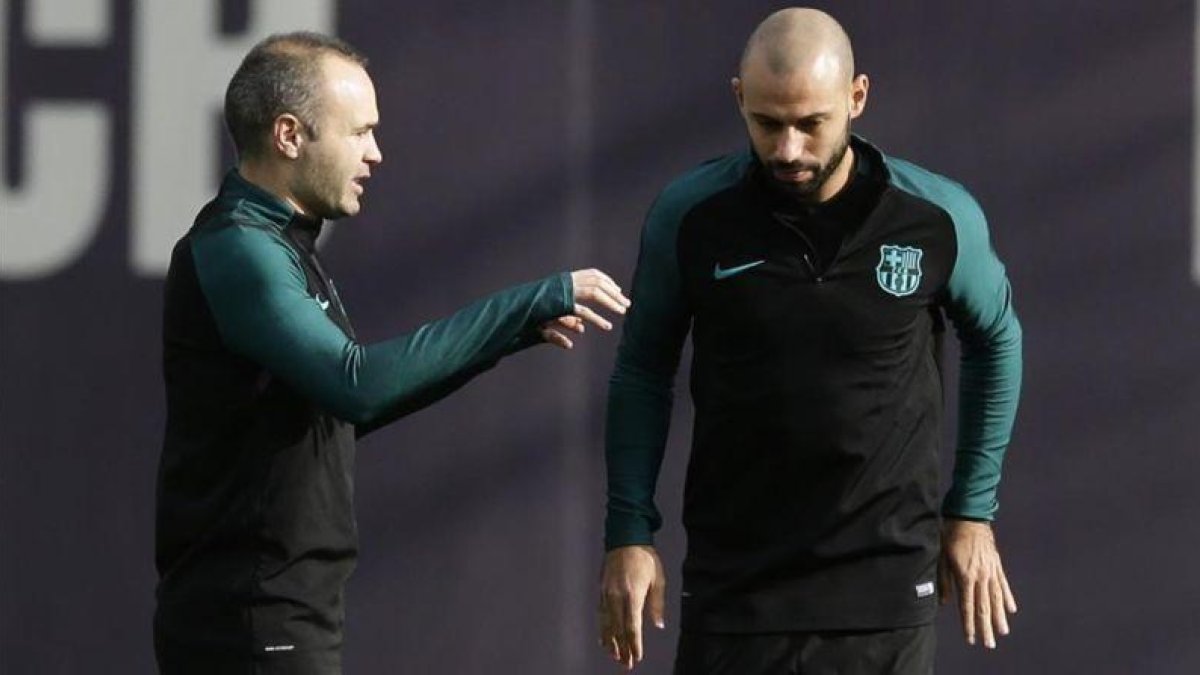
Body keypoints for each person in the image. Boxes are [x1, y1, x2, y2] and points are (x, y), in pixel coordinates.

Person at [155, 32, 630, 674]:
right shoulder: (240, 249)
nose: (376, 153)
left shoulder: (282, 246)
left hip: (280, 615)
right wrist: (527, 303)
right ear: (290, 135)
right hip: (249, 623)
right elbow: (358, 384)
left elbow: (347, 406)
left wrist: (511, 335)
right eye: (359, 133)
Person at [597, 7, 1022, 674]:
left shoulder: (936, 218)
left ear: (856, 98)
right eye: (767, 123)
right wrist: (628, 529)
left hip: (884, 595)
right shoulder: (691, 217)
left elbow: (997, 337)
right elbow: (643, 367)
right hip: (735, 597)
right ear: (739, 97)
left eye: (810, 124)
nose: (788, 149)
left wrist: (972, 510)